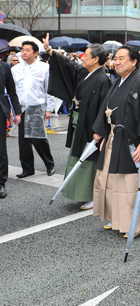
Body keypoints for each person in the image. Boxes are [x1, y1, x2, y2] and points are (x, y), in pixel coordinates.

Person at [91, 45, 140, 237]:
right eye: (115, 59)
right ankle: (117, 219)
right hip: (113, 136)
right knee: (110, 179)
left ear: (134, 61)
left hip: (132, 140)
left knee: (129, 183)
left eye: (122, 59)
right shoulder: (117, 82)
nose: (117, 62)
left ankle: (135, 224)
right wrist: (102, 133)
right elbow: (106, 109)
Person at [46, 37, 111, 210]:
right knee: (77, 157)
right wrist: (51, 52)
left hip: (90, 125)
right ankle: (79, 193)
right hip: (78, 120)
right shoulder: (84, 73)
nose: (82, 57)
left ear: (96, 59)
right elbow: (69, 66)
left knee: (88, 160)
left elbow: (103, 108)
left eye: (86, 55)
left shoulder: (103, 80)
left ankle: (90, 195)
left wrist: (99, 129)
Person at [11, 41, 55, 178]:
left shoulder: (44, 68)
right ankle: (27, 168)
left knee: (38, 138)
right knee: (23, 141)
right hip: (22, 107)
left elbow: (49, 90)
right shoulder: (15, 69)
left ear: (35, 53)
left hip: (37, 106)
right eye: (23, 50)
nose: (24, 52)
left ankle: (49, 164)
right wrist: (13, 110)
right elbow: (13, 91)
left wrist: (49, 109)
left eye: (28, 50)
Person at [0, 57, 21, 198]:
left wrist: (17, 112)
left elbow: (12, 91)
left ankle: (1, 182)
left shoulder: (4, 67)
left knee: (1, 148)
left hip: (0, 110)